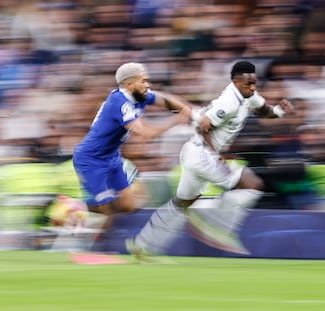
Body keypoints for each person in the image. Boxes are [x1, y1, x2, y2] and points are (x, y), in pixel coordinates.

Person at [125, 60, 294, 260]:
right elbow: (202, 126)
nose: (253, 87)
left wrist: (278, 111)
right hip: (202, 154)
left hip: (195, 154)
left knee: (182, 203)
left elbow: (263, 109)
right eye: (248, 84)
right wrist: (217, 155)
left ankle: (142, 245)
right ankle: (217, 224)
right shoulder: (228, 102)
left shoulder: (248, 95)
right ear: (235, 82)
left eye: (254, 82)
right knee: (252, 184)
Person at [50, 62, 192, 241]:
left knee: (129, 206)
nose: (148, 85)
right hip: (91, 159)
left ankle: (79, 206)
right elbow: (144, 133)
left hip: (112, 157)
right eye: (144, 81)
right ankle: (99, 249)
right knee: (107, 208)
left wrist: (188, 110)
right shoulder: (120, 103)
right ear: (129, 84)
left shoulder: (138, 95)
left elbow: (163, 99)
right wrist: (175, 121)